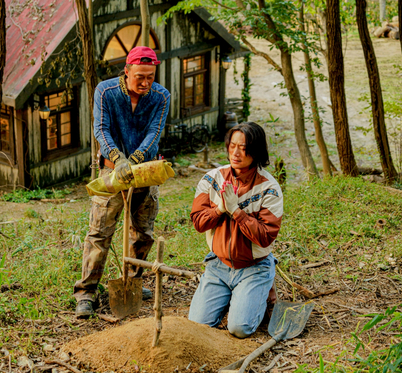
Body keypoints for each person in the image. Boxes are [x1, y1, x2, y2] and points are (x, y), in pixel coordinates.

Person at [73, 46, 170, 318]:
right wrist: (118, 159)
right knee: (100, 233)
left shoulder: (161, 96)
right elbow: (101, 129)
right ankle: (86, 292)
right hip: (111, 173)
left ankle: (132, 280)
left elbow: (155, 131)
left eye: (150, 76)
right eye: (139, 76)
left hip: (147, 172)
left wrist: (136, 158)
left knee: (143, 232)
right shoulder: (105, 92)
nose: (145, 82)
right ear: (126, 72)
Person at [188, 122, 283, 338]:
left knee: (239, 328)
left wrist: (237, 212)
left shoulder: (269, 188)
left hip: (254, 267)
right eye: (232, 146)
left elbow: (265, 236)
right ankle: (237, 296)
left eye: (243, 147)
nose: (236, 153)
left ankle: (262, 288)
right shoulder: (212, 179)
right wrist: (221, 209)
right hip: (219, 266)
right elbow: (198, 222)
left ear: (257, 150)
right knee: (197, 324)